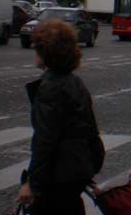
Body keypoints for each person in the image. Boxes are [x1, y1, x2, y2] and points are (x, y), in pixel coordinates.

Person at [17, 19, 104, 214]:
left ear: (46, 52)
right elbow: (90, 129)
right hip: (78, 170)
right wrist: (90, 166)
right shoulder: (75, 83)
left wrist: (32, 184)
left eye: (36, 48)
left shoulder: (50, 89)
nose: (33, 51)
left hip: (58, 176)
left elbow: (45, 141)